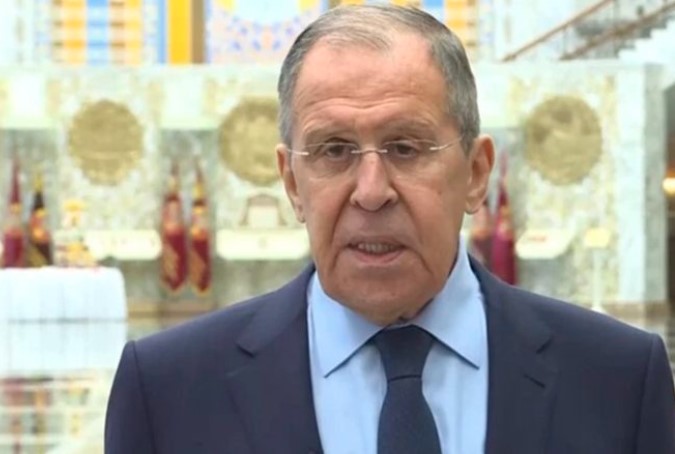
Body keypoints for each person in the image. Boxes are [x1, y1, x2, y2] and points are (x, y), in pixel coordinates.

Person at [105, 5, 675, 453]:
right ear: (292, 182)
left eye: (406, 147)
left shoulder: (619, 380)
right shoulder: (166, 391)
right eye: (334, 150)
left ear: (476, 174)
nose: (371, 191)